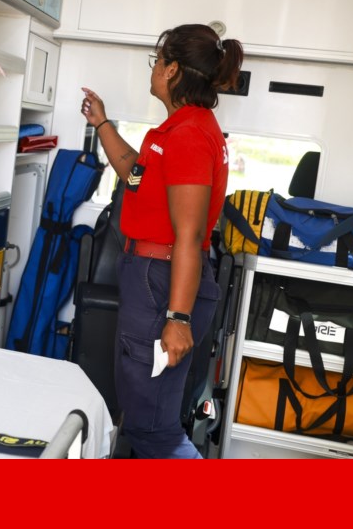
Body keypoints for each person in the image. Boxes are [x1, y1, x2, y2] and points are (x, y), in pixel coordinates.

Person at [81, 24, 244, 458]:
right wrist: (102, 123)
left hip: (163, 281)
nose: (153, 69)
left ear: (172, 70)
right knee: (142, 418)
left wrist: (178, 318)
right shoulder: (177, 130)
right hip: (153, 278)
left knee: (154, 429)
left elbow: (190, 234)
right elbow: (135, 175)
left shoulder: (189, 136)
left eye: (157, 61)